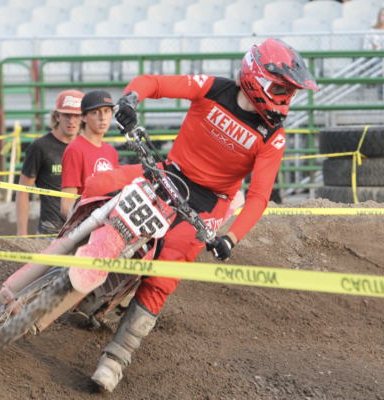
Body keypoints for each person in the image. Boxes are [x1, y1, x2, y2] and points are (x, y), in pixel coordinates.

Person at [86, 38, 320, 392]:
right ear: (256, 77)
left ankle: (116, 359)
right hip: (168, 172)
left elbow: (259, 197)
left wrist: (231, 237)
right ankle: (63, 258)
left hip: (208, 203)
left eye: (290, 93)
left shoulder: (273, 136)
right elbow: (154, 82)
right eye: (281, 89)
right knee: (99, 184)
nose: (286, 99)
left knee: (167, 267)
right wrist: (131, 98)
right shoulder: (213, 88)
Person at [16, 89, 84, 237]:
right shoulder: (40, 147)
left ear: (83, 117)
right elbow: (23, 191)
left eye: (77, 116)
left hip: (83, 230)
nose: (71, 121)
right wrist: (21, 234)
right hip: (50, 233)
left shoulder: (86, 146)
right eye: (66, 115)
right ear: (57, 116)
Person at [59, 90, 119, 218]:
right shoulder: (75, 150)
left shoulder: (111, 152)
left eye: (107, 111)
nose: (102, 117)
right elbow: (67, 206)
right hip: (87, 226)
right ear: (84, 117)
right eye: (95, 112)